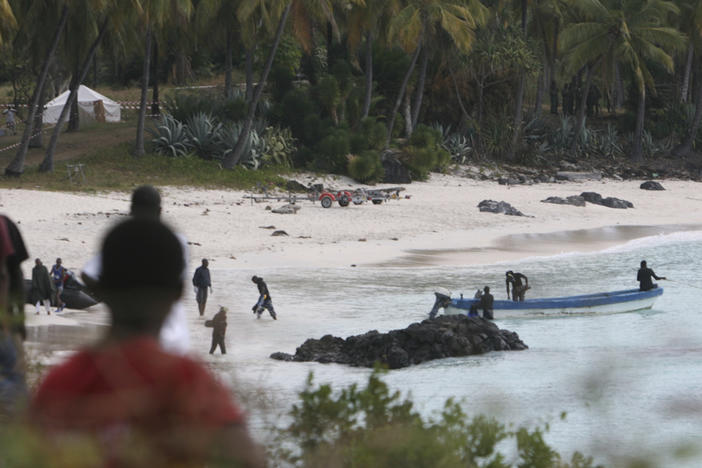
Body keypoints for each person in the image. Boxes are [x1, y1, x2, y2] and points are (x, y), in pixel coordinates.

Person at [30, 218, 265, 467]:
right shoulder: (188, 381)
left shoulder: (61, 382)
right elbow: (247, 459)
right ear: (178, 292)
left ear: (100, 288)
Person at [82, 185, 191, 355]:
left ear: (131, 209)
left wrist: (110, 299)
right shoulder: (175, 241)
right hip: (172, 339)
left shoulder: (121, 238)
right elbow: (181, 281)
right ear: (160, 210)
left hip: (124, 339)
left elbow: (87, 274)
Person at [0, 215, 29, 420]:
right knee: (15, 383)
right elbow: (16, 276)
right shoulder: (5, 224)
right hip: (4, 323)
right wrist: (19, 322)